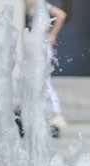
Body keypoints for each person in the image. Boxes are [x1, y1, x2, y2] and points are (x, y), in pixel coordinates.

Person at [25, 0, 68, 135]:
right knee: (36, 81)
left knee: (45, 81)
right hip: (36, 46)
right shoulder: (32, 6)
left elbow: (61, 15)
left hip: (42, 47)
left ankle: (57, 113)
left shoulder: (40, 4)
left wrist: (52, 34)